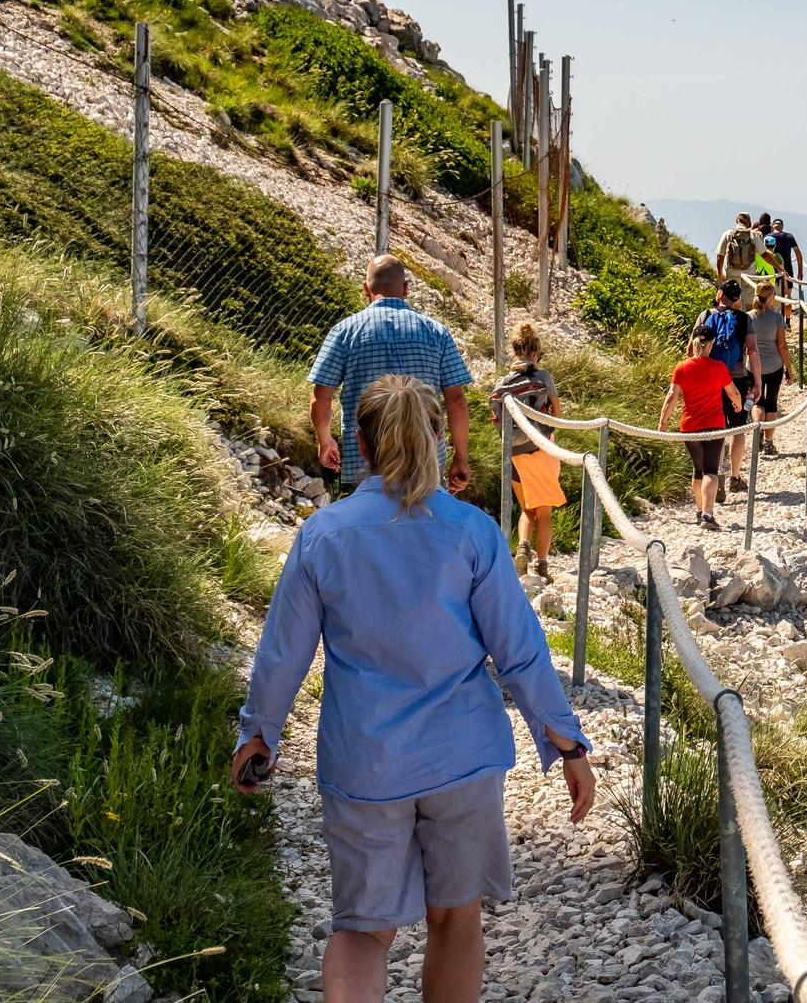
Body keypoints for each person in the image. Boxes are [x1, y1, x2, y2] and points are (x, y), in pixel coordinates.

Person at [234, 375, 594, 1003]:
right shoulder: (474, 532)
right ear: (435, 439)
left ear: (361, 445)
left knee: (363, 929)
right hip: (462, 759)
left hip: (364, 763)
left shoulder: (323, 536)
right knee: (455, 919)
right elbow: (519, 650)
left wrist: (259, 732)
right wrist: (565, 742)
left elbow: (282, 652)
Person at [310, 255, 472, 495]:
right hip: (424, 460)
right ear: (406, 288)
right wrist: (461, 456)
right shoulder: (437, 332)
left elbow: (321, 396)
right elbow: (456, 399)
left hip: (365, 461)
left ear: (366, 290)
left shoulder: (344, 331)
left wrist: (325, 441)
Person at [489, 324, 564, 580]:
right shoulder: (543, 377)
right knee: (544, 513)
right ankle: (542, 565)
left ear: (515, 351)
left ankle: (522, 546)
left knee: (526, 509)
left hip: (514, 451)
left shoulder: (503, 382)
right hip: (541, 448)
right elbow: (556, 410)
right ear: (536, 351)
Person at [659, 326, 744, 530]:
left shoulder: (682, 367)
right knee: (711, 471)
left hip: (689, 426)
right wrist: (738, 404)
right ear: (712, 344)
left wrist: (663, 421)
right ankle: (707, 514)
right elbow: (733, 392)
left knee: (698, 470)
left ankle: (699, 511)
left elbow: (672, 396)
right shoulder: (718, 367)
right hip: (714, 425)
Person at [694, 280, 759, 502]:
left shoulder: (705, 315)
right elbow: (752, 352)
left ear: (719, 294)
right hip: (737, 380)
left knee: (716, 429)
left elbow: (691, 349)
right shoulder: (744, 319)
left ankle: (717, 478)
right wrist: (757, 383)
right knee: (738, 430)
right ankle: (735, 476)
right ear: (737, 299)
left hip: (711, 380)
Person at [749, 281, 793, 455]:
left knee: (757, 401)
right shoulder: (776, 318)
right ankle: (768, 443)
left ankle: (757, 431)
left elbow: (747, 346)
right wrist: (789, 367)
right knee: (772, 401)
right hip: (774, 365)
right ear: (770, 297)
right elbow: (782, 346)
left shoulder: (748, 317)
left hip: (753, 366)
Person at [714, 210, 759, 283]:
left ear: (737, 221)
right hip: (749, 275)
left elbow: (720, 256)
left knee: (732, 293)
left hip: (731, 274)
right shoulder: (753, 235)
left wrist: (720, 275)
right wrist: (779, 268)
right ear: (749, 223)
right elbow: (765, 254)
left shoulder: (728, 234)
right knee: (749, 294)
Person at [770, 218, 803, 295]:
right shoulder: (789, 237)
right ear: (782, 226)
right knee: (787, 295)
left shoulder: (767, 237)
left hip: (772, 268)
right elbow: (798, 253)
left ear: (772, 226)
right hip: (787, 268)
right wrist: (800, 271)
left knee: (772, 295)